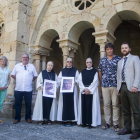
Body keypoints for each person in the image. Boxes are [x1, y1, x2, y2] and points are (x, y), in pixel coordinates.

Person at [117, 42, 140, 139]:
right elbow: (118, 76)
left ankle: (137, 130)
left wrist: (135, 85)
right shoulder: (119, 62)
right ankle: (127, 128)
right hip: (122, 87)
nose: (124, 49)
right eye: (122, 48)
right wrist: (118, 88)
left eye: (126, 48)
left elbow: (138, 72)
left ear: (129, 49)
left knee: (135, 110)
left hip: (132, 87)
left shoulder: (135, 58)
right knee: (125, 110)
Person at [98, 43, 121, 131]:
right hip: (105, 85)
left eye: (111, 49)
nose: (109, 50)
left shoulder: (118, 59)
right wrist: (101, 81)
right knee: (106, 104)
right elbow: (99, 71)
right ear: (106, 50)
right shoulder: (102, 60)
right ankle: (107, 123)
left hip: (115, 85)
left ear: (113, 49)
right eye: (107, 49)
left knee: (115, 104)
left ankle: (116, 124)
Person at [11, 53, 38, 124]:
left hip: (28, 89)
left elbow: (35, 76)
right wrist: (18, 79)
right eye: (23, 57)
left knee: (28, 104)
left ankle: (28, 118)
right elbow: (13, 75)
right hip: (18, 89)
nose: (25, 58)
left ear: (28, 59)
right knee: (17, 104)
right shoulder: (17, 66)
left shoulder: (32, 66)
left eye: (26, 57)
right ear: (21, 58)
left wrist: (30, 80)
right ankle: (17, 118)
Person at [77, 58, 101, 128]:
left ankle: (90, 123)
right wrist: (84, 89)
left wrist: (89, 89)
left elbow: (95, 82)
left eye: (90, 62)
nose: (89, 64)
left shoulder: (95, 72)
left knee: (90, 107)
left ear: (92, 63)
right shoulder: (82, 71)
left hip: (92, 92)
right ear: (85, 63)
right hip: (84, 91)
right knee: (84, 106)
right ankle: (84, 122)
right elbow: (80, 81)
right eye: (87, 62)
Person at [57, 57, 79, 126]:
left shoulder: (75, 70)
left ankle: (73, 120)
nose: (69, 63)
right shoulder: (62, 71)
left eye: (70, 62)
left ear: (72, 63)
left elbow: (79, 79)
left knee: (73, 104)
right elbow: (58, 79)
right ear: (66, 62)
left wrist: (75, 82)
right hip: (64, 91)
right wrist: (60, 82)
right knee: (64, 104)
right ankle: (64, 119)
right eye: (68, 61)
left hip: (73, 90)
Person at [0, 56, 11, 124]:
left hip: (4, 88)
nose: (3, 60)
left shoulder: (7, 69)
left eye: (4, 60)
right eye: (1, 59)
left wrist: (7, 85)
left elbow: (9, 79)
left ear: (6, 61)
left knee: (0, 103)